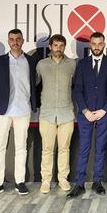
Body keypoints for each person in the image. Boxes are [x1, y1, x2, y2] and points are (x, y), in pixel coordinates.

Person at [0, 28, 38, 197]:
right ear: (8, 41)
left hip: (23, 109)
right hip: (2, 111)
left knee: (21, 147)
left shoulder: (31, 60)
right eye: (12, 39)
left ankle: (19, 181)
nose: (15, 42)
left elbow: (35, 83)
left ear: (22, 40)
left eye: (18, 39)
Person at [68, 32, 107, 198]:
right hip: (85, 114)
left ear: (104, 45)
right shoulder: (82, 64)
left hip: (104, 113)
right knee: (84, 148)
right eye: (93, 43)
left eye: (99, 43)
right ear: (90, 44)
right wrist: (85, 111)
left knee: (100, 148)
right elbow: (77, 89)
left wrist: (104, 110)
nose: (96, 46)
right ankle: (79, 184)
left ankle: (97, 181)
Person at [36, 34, 76, 194]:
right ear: (50, 47)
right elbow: (36, 86)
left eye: (61, 45)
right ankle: (45, 180)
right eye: (55, 45)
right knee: (47, 149)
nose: (58, 48)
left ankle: (62, 179)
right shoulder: (41, 65)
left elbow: (76, 86)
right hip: (47, 113)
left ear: (64, 47)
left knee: (64, 148)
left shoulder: (72, 65)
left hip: (66, 113)